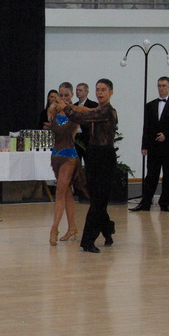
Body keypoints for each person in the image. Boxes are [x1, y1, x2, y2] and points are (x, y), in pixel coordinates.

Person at [61, 79, 118, 253]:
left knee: (99, 200)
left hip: (105, 157)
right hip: (93, 155)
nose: (100, 93)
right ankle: (107, 229)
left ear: (110, 92)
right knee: (96, 199)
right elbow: (85, 112)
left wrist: (66, 108)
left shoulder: (108, 112)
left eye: (103, 90)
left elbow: (82, 116)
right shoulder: (97, 110)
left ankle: (87, 241)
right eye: (98, 89)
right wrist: (70, 106)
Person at [130, 76, 169, 213]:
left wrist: (166, 135)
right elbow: (146, 127)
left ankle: (164, 203)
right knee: (151, 176)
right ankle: (145, 203)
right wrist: (144, 146)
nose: (161, 88)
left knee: (168, 176)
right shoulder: (150, 105)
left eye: (164, 86)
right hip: (154, 147)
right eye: (159, 86)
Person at [44, 85, 86, 246]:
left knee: (60, 191)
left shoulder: (75, 112)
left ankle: (54, 228)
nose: (63, 98)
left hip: (69, 156)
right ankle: (72, 228)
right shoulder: (53, 111)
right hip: (56, 157)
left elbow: (86, 113)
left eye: (66, 95)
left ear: (72, 94)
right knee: (66, 192)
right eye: (60, 95)